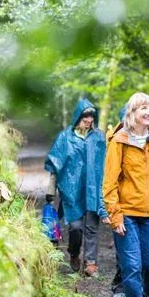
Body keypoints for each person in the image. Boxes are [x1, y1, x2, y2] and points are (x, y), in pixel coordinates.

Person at [102, 92, 149, 297]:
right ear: (133, 112)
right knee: (131, 266)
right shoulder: (119, 141)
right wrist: (115, 215)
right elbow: (109, 183)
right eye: (143, 108)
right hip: (127, 213)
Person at [45, 99, 110, 276]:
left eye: (91, 116)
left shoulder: (98, 137)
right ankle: (74, 253)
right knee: (75, 227)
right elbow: (55, 164)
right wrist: (51, 191)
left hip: (93, 188)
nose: (88, 119)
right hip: (72, 191)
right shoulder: (65, 137)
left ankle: (91, 263)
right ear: (78, 116)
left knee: (92, 227)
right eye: (85, 115)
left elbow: (105, 164)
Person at [105, 103, 129, 297]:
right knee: (124, 253)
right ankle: (121, 287)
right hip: (119, 205)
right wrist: (108, 210)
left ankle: (133, 291)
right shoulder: (113, 141)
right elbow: (106, 179)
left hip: (143, 206)